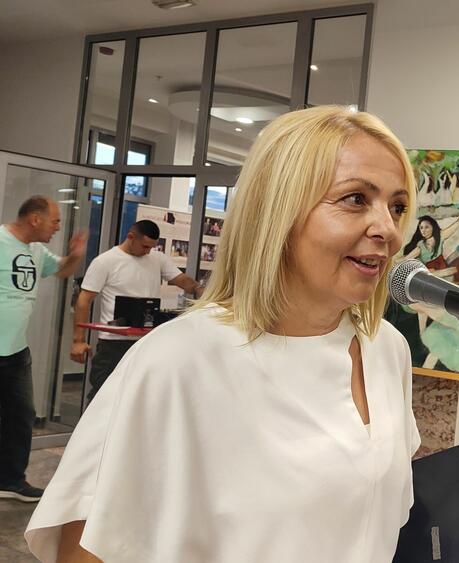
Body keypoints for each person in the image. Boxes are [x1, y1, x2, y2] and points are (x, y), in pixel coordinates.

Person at [25, 105, 421, 562]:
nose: (389, 230)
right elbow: (91, 548)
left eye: (397, 207)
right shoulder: (178, 361)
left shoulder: (387, 348)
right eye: (355, 199)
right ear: (277, 210)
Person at [0, 196, 86, 502]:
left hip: (15, 351)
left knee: (22, 415)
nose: (58, 227)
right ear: (35, 219)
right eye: (55, 220)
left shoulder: (36, 251)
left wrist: (75, 256)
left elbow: (62, 270)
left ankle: (10, 480)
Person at [70, 220, 202, 400]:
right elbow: (84, 301)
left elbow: (183, 280)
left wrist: (199, 289)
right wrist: (78, 340)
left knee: (139, 398)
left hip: (146, 342)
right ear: (131, 237)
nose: (148, 251)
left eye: (151, 247)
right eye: (145, 246)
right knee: (104, 396)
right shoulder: (105, 262)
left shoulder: (157, 259)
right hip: (113, 344)